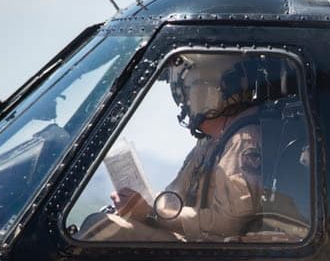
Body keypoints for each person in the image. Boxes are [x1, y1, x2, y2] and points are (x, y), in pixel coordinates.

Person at [110, 53, 298, 241]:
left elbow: (230, 223)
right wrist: (139, 204)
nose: (183, 102)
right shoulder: (210, 142)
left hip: (214, 257)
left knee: (104, 229)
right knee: (107, 222)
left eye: (185, 92)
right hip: (198, 244)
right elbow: (176, 196)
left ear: (207, 92)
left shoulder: (243, 140)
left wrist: (151, 214)